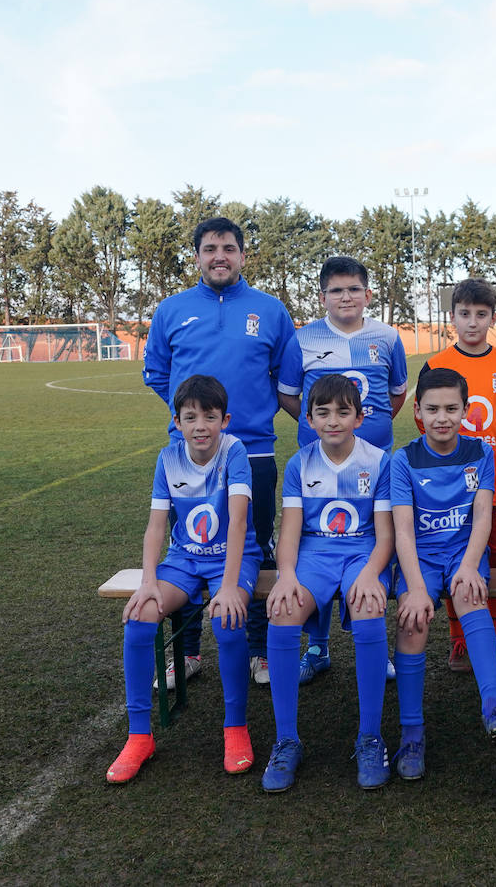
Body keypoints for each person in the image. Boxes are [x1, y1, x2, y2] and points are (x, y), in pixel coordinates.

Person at [143, 217, 293, 687]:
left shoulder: (270, 310)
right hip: (188, 457)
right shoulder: (171, 309)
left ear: (243, 255)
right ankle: (186, 653)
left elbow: (285, 376)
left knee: (257, 545)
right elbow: (157, 373)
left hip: (255, 450)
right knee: (186, 547)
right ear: (197, 257)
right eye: (210, 249)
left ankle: (258, 648)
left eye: (228, 248)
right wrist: (196, 419)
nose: (219, 256)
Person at [106, 376, 263, 784]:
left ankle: (235, 729)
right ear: (176, 422)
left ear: (224, 420)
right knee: (140, 618)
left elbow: (239, 522)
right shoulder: (167, 458)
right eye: (190, 417)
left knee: (227, 621)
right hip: (185, 558)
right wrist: (148, 582)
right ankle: (139, 736)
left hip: (233, 557)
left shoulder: (235, 452)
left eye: (210, 417)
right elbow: (156, 526)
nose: (200, 426)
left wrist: (229, 587)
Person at [260, 375, 394, 792]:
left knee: (370, 610)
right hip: (315, 554)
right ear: (310, 419)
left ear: (359, 415)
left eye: (342, 412)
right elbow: (291, 531)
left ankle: (370, 736)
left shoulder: (379, 461)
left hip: (364, 553)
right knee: (281, 612)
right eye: (323, 413)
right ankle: (286, 740)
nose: (332, 420)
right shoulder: (301, 463)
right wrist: (286, 575)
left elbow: (386, 534)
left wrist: (371, 573)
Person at [277, 256, 408, 684]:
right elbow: (291, 396)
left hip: (371, 464)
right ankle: (317, 647)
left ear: (368, 294)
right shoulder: (303, 338)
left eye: (353, 288)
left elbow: (396, 395)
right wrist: (323, 429)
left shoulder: (387, 337)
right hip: (317, 461)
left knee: (366, 544)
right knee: (319, 540)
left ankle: (374, 642)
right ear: (322, 297)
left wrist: (366, 437)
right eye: (336, 290)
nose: (345, 296)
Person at [391, 368, 496, 780]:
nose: (442, 417)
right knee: (413, 621)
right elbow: (404, 531)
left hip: (463, 553)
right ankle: (412, 732)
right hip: (420, 559)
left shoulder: (479, 453)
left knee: (470, 595)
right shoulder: (403, 459)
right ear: (418, 412)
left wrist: (468, 566)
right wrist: (414, 588)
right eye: (433, 409)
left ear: (466, 410)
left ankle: (494, 706)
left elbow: (483, 517)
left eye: (451, 408)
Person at [415, 278, 496, 672]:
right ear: (452, 318)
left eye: (482, 315)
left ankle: (490, 637)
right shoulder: (436, 364)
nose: (473, 323)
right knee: (452, 556)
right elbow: (424, 417)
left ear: (493, 318)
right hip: (449, 487)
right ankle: (460, 639)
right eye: (465, 314)